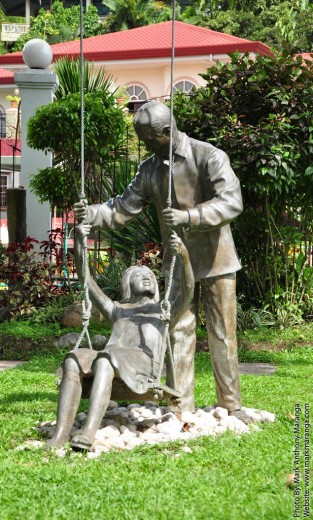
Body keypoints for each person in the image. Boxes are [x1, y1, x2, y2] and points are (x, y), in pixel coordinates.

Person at [74, 100, 250, 423]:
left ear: (168, 131)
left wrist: (189, 216)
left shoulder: (209, 156)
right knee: (179, 332)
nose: (146, 147)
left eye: (151, 140)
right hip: (177, 266)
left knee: (222, 334)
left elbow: (231, 202)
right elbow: (122, 207)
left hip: (216, 262)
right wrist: (93, 214)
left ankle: (231, 404)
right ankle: (181, 406)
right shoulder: (150, 169)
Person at [47, 225, 194, 450]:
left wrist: (183, 254)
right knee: (73, 358)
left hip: (141, 365)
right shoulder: (117, 309)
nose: (146, 278)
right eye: (138, 275)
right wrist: (78, 243)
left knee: (106, 359)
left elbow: (189, 290)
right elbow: (87, 281)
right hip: (113, 357)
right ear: (127, 283)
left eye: (149, 276)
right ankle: (60, 434)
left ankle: (88, 432)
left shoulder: (163, 312)